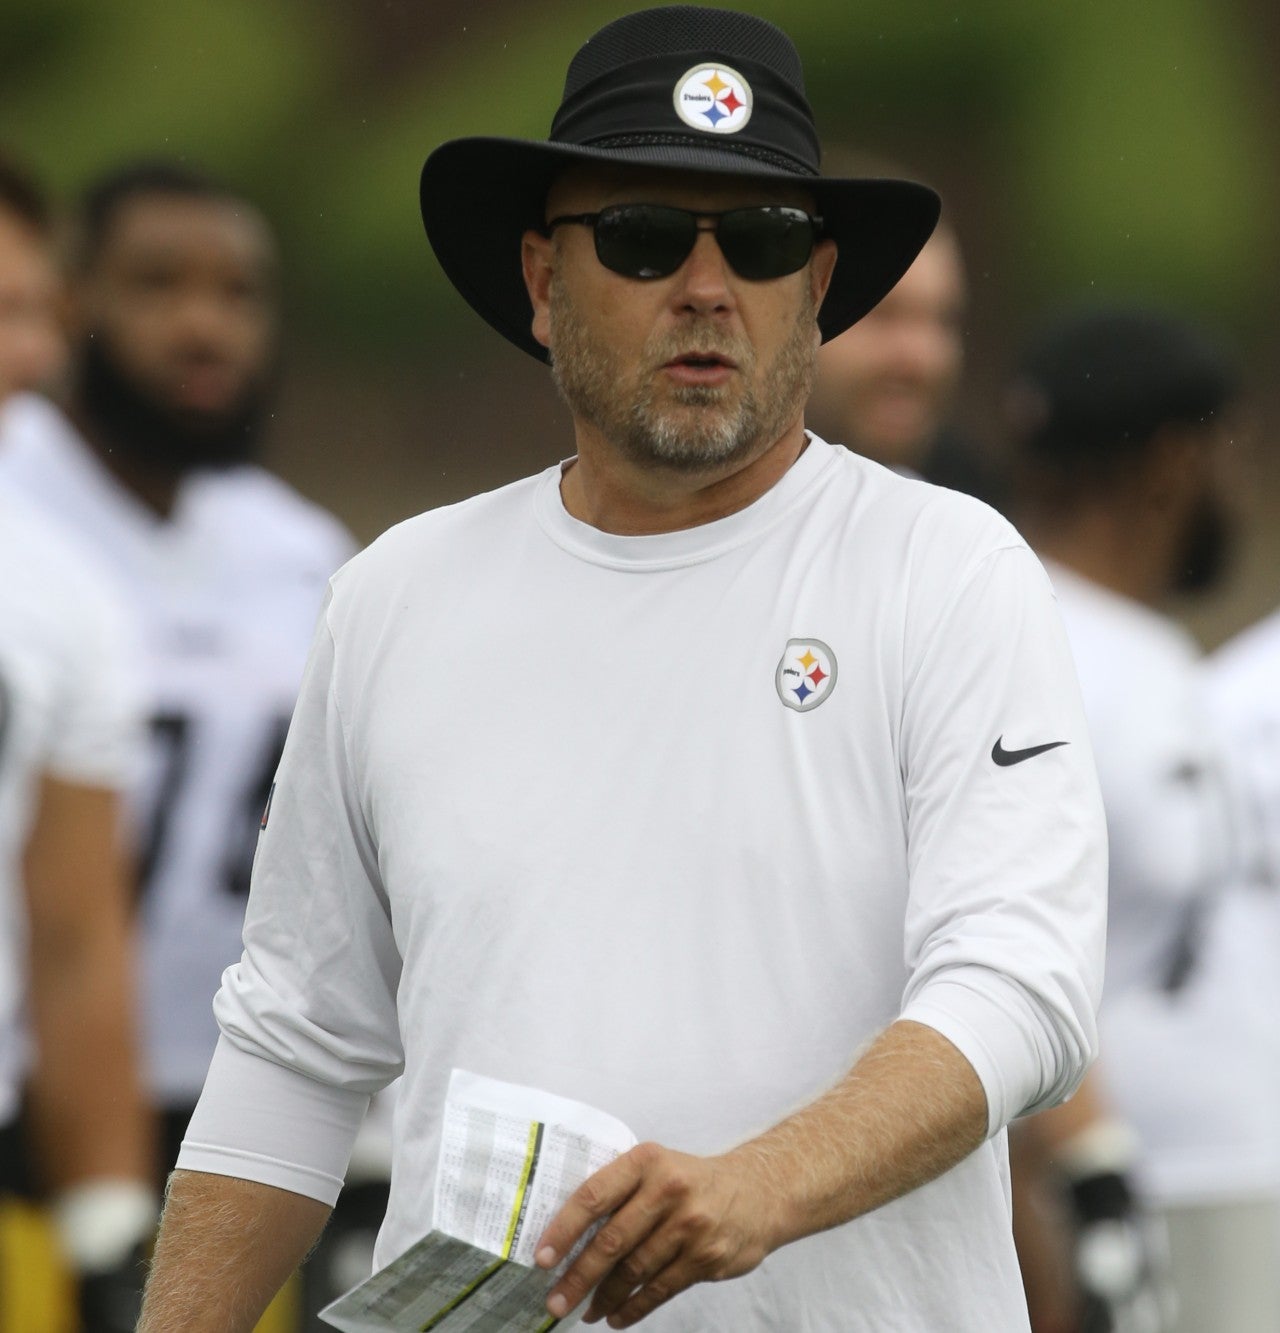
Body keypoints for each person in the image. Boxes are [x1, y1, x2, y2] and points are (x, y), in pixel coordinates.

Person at [140, 9, 1107, 1331]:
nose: (707, 288)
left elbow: (1022, 983)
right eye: (647, 238)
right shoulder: (391, 599)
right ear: (542, 281)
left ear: (816, 291)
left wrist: (765, 1184)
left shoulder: (946, 570)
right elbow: (296, 1047)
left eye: (760, 244)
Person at [0, 162, 356, 1195]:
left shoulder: (301, 552)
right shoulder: (22, 514)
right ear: (72, 304)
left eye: (238, 293)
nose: (203, 327)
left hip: (233, 1093)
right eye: (158, 284)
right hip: (31, 1078)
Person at [1006, 307, 1274, 1331]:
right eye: (1226, 451)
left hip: (1212, 1175)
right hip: (1116, 1191)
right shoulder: (1030, 637)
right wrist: (1082, 1195)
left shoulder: (1137, 642)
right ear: (1173, 458)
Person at [0, 155, 155, 1332]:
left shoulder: (64, 596)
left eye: (24, 311)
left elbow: (74, 931)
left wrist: (108, 1220)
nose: (25, 353)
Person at [807, 200, 1005, 506]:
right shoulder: (714, 528)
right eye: (883, 313)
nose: (923, 358)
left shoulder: (966, 532)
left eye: (945, 319)